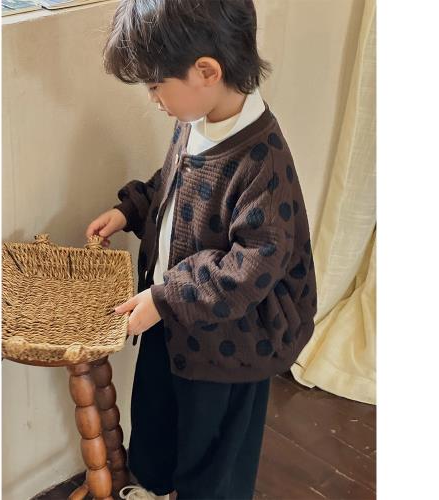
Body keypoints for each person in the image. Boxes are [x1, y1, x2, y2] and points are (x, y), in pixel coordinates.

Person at [86, 1, 317, 499]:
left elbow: (250, 266)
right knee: (159, 424)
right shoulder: (196, 119)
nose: (153, 99)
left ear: (207, 72)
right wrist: (132, 209)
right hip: (173, 321)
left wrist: (166, 297)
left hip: (228, 347)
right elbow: (177, 189)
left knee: (212, 456)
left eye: (155, 85)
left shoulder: (263, 164)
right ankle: (158, 487)